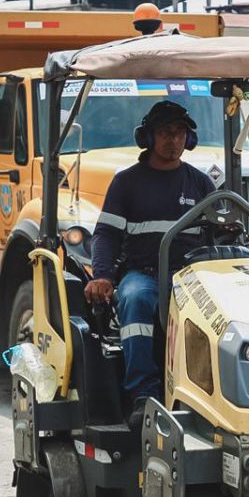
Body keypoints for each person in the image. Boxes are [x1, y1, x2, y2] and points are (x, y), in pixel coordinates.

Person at [84, 100, 215, 425]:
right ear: (149, 137)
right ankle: (144, 394)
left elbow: (218, 235)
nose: (174, 140)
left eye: (180, 133)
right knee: (135, 300)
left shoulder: (201, 184)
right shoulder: (127, 182)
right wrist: (102, 275)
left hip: (191, 278)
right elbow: (106, 234)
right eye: (166, 132)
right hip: (142, 275)